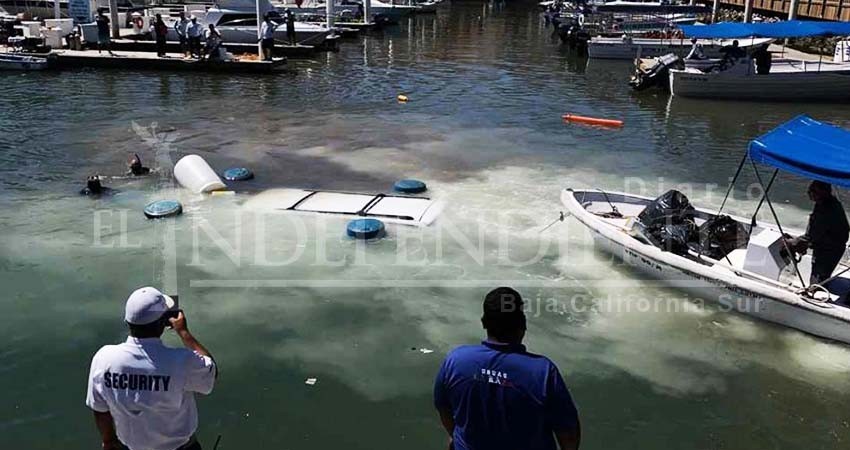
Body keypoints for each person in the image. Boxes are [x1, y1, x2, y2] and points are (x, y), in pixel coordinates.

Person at [433, 287, 581, 450]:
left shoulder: (456, 360)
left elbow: (443, 407)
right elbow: (568, 434)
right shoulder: (543, 372)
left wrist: (457, 436)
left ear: (483, 322)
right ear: (523, 323)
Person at [86, 287, 217, 450]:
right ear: (163, 324)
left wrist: (108, 440)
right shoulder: (181, 361)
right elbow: (210, 371)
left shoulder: (103, 358)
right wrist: (184, 332)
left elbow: (99, 407)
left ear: (127, 322)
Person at [789, 181, 850, 285]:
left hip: (829, 251)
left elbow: (811, 236)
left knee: (817, 283)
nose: (809, 192)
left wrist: (791, 243)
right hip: (826, 245)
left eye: (813, 191)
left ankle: (815, 292)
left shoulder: (827, 210)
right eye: (809, 190)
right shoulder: (826, 203)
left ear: (823, 193)